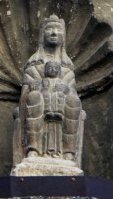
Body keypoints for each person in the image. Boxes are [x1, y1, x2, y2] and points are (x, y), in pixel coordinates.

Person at [20, 16, 82, 162]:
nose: (54, 33)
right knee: (34, 97)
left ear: (64, 37)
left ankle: (68, 151)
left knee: (73, 101)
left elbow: (74, 95)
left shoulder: (67, 69)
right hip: (40, 107)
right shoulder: (33, 66)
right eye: (49, 29)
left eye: (58, 30)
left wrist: (66, 91)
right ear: (42, 35)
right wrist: (34, 88)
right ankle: (33, 149)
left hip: (61, 108)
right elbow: (24, 97)